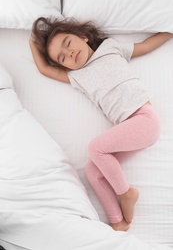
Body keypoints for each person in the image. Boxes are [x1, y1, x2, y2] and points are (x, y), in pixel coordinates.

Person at [29, 17, 173, 232]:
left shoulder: (110, 48)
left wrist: (169, 28)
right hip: (130, 127)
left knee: (96, 148)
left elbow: (145, 45)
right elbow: (44, 69)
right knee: (92, 171)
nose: (68, 53)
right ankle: (118, 221)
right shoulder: (76, 76)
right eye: (62, 57)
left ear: (83, 37)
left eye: (68, 44)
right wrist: (33, 42)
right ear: (63, 66)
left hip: (144, 118)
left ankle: (126, 193)